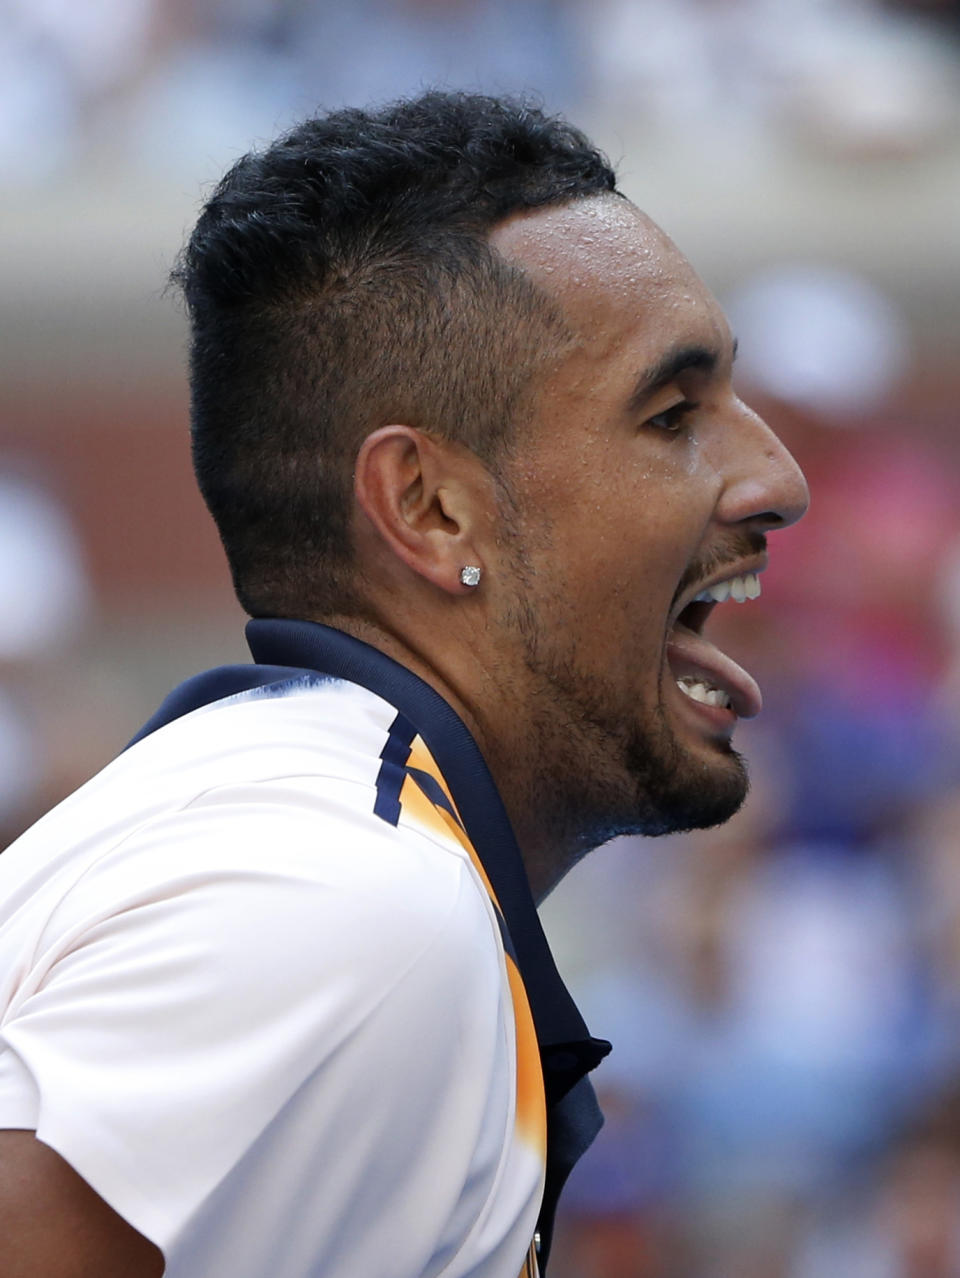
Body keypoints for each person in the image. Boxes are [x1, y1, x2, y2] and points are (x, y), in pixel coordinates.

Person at [0, 92, 808, 1277]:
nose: (776, 478)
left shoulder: (306, 836)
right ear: (431, 510)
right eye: (672, 411)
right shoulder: (353, 901)